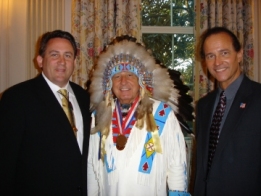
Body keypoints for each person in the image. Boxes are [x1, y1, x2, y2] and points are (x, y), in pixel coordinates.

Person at [87, 35, 192, 196]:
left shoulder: (161, 113)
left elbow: (176, 163)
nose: (123, 82)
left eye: (130, 75)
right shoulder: (99, 116)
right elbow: (92, 166)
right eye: (117, 76)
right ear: (109, 83)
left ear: (140, 81)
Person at [0, 30, 91, 195]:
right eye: (55, 55)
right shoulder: (17, 98)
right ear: (40, 61)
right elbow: (5, 162)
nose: (62, 62)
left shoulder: (84, 97)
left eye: (68, 55)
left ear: (75, 62)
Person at [193, 27, 261, 195]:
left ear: (239, 55)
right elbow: (202, 165)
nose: (217, 63)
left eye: (224, 53)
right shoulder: (204, 105)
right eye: (210, 56)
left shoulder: (258, 98)